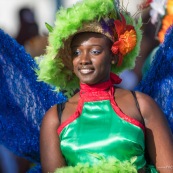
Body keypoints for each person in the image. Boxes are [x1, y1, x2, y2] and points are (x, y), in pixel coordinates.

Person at [37, 0, 173, 172]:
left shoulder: (143, 106)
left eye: (95, 51)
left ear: (114, 56)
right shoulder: (54, 118)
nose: (84, 59)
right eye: (77, 52)